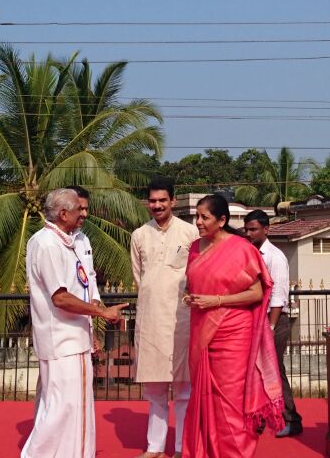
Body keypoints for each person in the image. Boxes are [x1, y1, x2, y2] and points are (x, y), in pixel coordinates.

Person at [22, 188, 128, 458]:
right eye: (78, 209)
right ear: (62, 213)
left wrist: (92, 324)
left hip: (71, 337)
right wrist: (103, 314)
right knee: (64, 409)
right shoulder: (47, 243)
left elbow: (85, 282)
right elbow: (61, 298)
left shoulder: (67, 241)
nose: (84, 213)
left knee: (60, 407)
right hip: (63, 339)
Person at [182, 194, 283, 457]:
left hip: (233, 335)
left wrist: (216, 300)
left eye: (205, 217)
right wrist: (190, 296)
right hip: (202, 331)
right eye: (197, 216)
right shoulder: (194, 248)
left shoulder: (241, 249)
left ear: (222, 220)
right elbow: (192, 284)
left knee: (230, 405)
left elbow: (257, 293)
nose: (199, 222)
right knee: (204, 399)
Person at [130, 177, 200, 458]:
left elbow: (197, 273)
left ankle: (183, 446)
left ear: (173, 201)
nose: (157, 206)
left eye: (162, 200)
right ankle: (155, 447)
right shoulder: (139, 235)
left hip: (181, 318)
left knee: (184, 389)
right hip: (150, 320)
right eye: (152, 201)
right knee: (155, 389)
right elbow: (139, 277)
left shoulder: (190, 233)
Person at [242, 210, 301, 437]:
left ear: (266, 230)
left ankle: (291, 418)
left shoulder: (275, 257)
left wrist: (270, 326)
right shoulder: (247, 253)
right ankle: (258, 418)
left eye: (253, 229)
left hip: (272, 321)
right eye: (246, 229)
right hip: (253, 321)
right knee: (254, 372)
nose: (248, 233)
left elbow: (279, 296)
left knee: (273, 370)